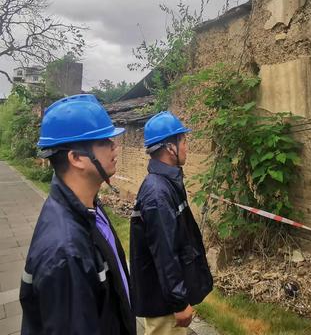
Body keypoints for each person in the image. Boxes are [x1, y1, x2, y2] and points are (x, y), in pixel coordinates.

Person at [20, 94, 136, 335]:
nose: (116, 146)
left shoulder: (88, 208)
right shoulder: (66, 252)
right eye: (104, 141)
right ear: (76, 158)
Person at [130, 111, 213, 335]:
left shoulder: (167, 182)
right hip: (162, 303)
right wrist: (179, 302)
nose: (187, 147)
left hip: (164, 296)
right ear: (170, 148)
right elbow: (164, 252)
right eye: (184, 142)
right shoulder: (158, 193)